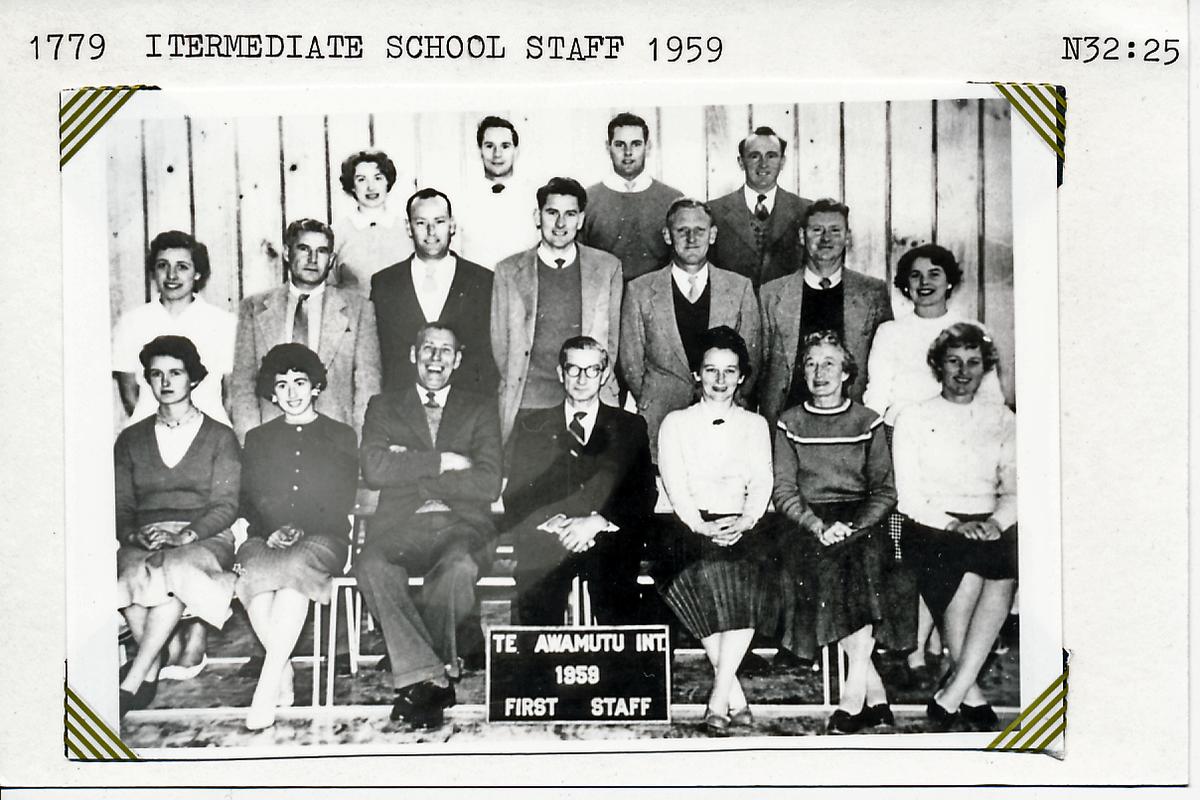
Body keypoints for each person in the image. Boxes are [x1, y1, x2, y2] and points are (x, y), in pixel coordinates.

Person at [862, 243, 1004, 680]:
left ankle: (946, 643)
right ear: (905, 285)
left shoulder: (972, 329)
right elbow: (876, 395)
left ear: (950, 281)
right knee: (911, 544)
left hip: (961, 445)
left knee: (959, 544)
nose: (925, 283)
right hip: (902, 443)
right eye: (916, 275)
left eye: (935, 274)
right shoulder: (891, 332)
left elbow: (991, 399)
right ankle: (914, 647)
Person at [354, 323, 502, 729]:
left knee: (458, 568)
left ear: (458, 359)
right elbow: (375, 468)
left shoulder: (480, 407)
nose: (435, 358)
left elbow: (488, 482)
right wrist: (443, 461)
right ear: (412, 355)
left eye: (445, 350)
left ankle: (420, 677)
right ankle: (435, 675)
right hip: (400, 525)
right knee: (371, 566)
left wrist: (411, 468)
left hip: (462, 524)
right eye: (428, 349)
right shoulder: (383, 406)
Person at [892, 322, 1017, 732]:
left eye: (973, 362)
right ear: (938, 366)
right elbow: (909, 496)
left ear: (985, 368)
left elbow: (1016, 488)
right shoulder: (915, 417)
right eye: (954, 361)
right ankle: (968, 691)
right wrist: (952, 524)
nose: (963, 372)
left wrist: (996, 522)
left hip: (988, 522)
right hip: (932, 524)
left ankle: (955, 689)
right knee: (967, 574)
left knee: (1003, 574)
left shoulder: (1003, 419)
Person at [772, 330, 898, 734]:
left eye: (829, 363)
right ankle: (872, 695)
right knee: (826, 568)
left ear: (846, 373)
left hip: (860, 520)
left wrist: (855, 525)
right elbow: (784, 490)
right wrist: (816, 525)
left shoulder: (867, 421)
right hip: (807, 522)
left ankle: (853, 694)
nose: (819, 372)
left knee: (863, 562)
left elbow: (885, 490)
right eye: (810, 363)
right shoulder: (790, 422)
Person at [654, 326, 777, 736]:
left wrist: (744, 521)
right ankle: (733, 697)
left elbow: (762, 481)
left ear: (742, 377)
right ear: (696, 374)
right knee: (697, 579)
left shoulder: (755, 425)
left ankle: (719, 697)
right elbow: (675, 483)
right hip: (690, 522)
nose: (720, 380)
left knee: (748, 578)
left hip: (742, 521)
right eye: (711, 370)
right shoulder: (675, 423)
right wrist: (702, 526)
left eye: (729, 371)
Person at [114, 335, 240, 718]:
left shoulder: (220, 437)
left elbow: (226, 504)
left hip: (204, 535)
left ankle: (135, 677)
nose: (166, 382)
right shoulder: (130, 440)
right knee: (129, 573)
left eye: (176, 373)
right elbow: (121, 505)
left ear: (194, 378)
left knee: (173, 571)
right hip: (147, 536)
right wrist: (133, 534)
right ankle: (157, 655)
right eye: (156, 374)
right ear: (148, 381)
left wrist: (184, 535)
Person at [234, 344, 358, 730]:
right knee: (253, 574)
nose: (292, 393)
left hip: (323, 537)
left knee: (293, 579)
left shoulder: (340, 435)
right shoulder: (258, 438)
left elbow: (340, 497)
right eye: (282, 385)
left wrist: (301, 528)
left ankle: (266, 685)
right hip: (265, 538)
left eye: (300, 382)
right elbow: (248, 497)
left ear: (316, 386)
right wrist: (272, 528)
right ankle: (282, 670)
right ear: (272, 393)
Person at [503, 336, 656, 625]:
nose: (582, 379)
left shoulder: (630, 426)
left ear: (604, 374)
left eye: (592, 370)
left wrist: (596, 522)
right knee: (536, 602)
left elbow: (644, 492)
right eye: (573, 369)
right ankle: (538, 656)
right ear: (561, 374)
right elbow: (517, 494)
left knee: (617, 601)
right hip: (550, 539)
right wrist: (555, 523)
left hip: (606, 538)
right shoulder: (531, 427)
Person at [621, 198, 761, 460]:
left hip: (724, 418)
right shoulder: (639, 290)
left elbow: (751, 359)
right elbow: (632, 363)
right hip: (660, 417)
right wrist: (657, 397)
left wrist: (727, 398)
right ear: (667, 235)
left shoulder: (739, 288)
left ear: (713, 235)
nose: (691, 238)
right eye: (682, 230)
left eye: (700, 230)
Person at [491, 177, 623, 445]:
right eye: (552, 213)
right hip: (530, 401)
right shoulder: (508, 271)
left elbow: (611, 342)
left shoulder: (607, 268)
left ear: (581, 219)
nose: (561, 223)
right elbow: (501, 345)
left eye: (570, 214)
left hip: (589, 400)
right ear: (537, 217)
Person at [231, 218, 382, 444]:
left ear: (331, 260)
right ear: (286, 252)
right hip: (273, 444)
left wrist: (359, 448)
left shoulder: (358, 310)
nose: (312, 259)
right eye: (304, 249)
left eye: (321, 251)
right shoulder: (254, 308)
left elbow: (368, 388)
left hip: (335, 445)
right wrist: (251, 444)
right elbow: (243, 385)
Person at [759, 199, 892, 426]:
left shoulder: (872, 293)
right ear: (802, 236)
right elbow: (759, 364)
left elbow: (885, 364)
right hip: (785, 421)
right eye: (817, 230)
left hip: (852, 422)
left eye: (835, 230)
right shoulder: (771, 294)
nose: (826, 238)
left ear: (847, 237)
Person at [370, 188, 497, 395]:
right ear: (408, 227)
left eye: (439, 221)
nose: (431, 231)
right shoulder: (385, 283)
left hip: (467, 405)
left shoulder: (483, 281)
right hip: (402, 407)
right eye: (421, 223)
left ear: (452, 225)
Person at [112, 231, 236, 427]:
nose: (171, 275)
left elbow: (231, 396)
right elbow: (129, 395)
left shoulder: (225, 323)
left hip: (208, 434)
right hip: (150, 433)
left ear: (197, 273)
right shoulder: (131, 323)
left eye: (182, 267)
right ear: (154, 271)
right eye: (163, 265)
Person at [579, 112, 684, 282]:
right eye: (620, 145)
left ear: (648, 147)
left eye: (636, 144)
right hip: (604, 295)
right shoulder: (587, 200)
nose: (628, 152)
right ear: (608, 147)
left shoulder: (673, 200)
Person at [707, 127, 812, 289]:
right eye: (754, 156)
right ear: (741, 162)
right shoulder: (714, 212)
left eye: (771, 156)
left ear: (782, 162)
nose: (763, 164)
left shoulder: (805, 210)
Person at [454, 116, 536, 270]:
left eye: (505, 146)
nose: (497, 154)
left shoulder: (534, 198)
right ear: (479, 151)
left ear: (516, 151)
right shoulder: (462, 200)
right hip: (477, 283)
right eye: (489, 146)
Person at [332, 149, 412, 293]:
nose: (371, 187)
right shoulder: (337, 233)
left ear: (388, 182)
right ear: (352, 186)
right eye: (361, 179)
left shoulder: (408, 230)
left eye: (378, 178)